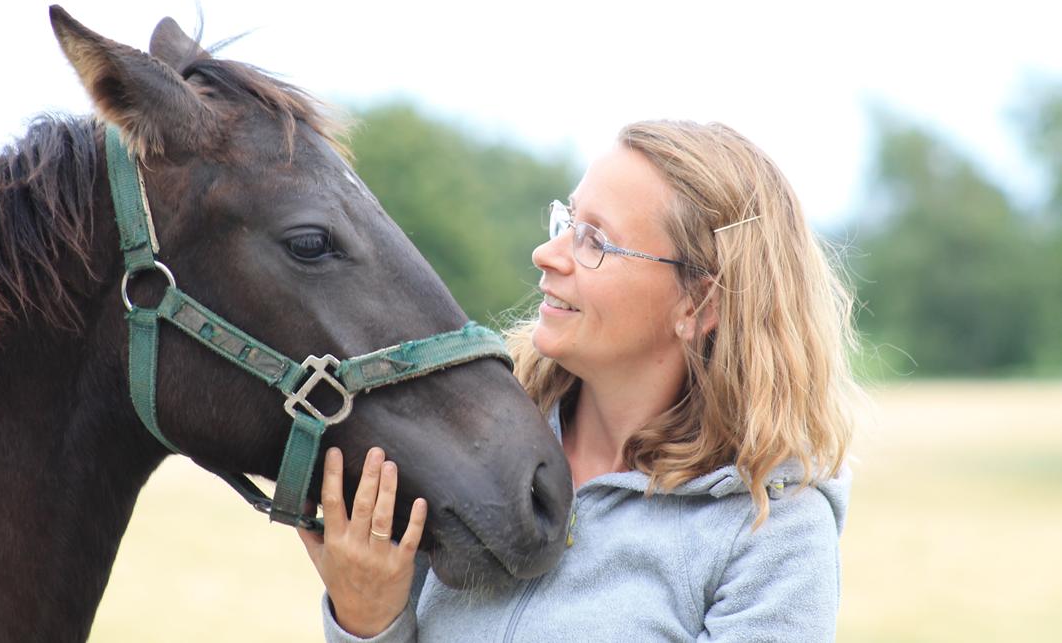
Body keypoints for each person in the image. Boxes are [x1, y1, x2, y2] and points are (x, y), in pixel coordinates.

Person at [298, 119, 862, 641]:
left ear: (700, 301)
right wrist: (368, 621)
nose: (546, 253)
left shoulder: (774, 534)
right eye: (567, 221)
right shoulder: (474, 442)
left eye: (595, 240)